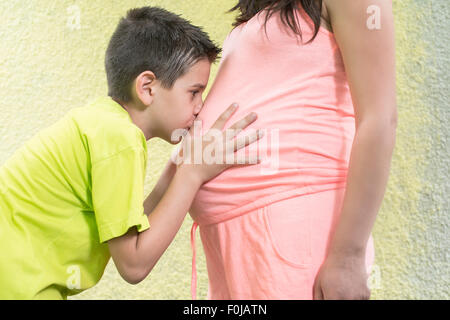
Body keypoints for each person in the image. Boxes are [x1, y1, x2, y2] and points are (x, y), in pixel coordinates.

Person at [0, 6, 263, 299]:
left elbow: (131, 230)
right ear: (147, 88)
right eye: (194, 92)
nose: (201, 106)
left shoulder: (105, 124)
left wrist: (175, 171)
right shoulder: (119, 139)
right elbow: (134, 265)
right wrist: (193, 174)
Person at [184, 0, 397, 299]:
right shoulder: (264, 8)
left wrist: (349, 256)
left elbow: (380, 118)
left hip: (294, 227)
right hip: (234, 239)